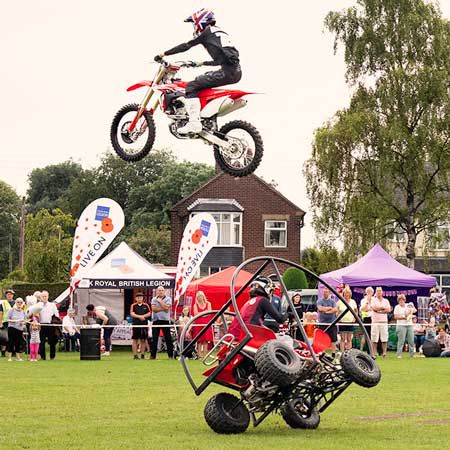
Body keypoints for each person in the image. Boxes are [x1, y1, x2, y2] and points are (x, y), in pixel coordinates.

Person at [155, 8, 241, 134]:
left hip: (228, 71)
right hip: (235, 72)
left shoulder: (206, 33)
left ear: (201, 20)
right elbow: (221, 59)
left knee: (191, 86)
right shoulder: (218, 32)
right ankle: (207, 120)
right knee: (204, 79)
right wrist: (200, 63)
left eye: (194, 24)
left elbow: (185, 46)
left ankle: (194, 123)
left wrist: (163, 54)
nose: (194, 27)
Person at [150, 286, 174, 360]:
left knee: (168, 338)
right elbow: (154, 309)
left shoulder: (168, 299)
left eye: (162, 290)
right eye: (159, 290)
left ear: (164, 291)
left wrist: (160, 301)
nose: (160, 292)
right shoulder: (154, 299)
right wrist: (163, 308)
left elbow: (167, 308)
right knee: (154, 338)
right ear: (157, 291)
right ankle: (153, 356)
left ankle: (170, 356)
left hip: (165, 320)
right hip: (156, 320)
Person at [317, 287, 338, 357]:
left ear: (329, 293)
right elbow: (320, 309)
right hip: (322, 322)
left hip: (332, 322)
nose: (325, 293)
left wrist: (326, 311)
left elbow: (335, 310)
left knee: (333, 338)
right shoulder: (319, 301)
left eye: (327, 292)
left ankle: (333, 353)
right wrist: (329, 308)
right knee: (322, 338)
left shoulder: (332, 301)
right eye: (324, 292)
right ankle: (322, 352)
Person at [370, 287, 392, 358]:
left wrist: (379, 310)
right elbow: (374, 308)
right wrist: (382, 308)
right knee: (374, 337)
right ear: (375, 292)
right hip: (375, 321)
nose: (379, 292)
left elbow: (389, 310)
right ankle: (374, 353)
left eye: (380, 291)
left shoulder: (386, 300)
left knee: (384, 337)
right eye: (377, 291)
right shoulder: (373, 300)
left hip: (384, 321)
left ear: (382, 292)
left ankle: (384, 353)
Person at [192, 291, 213, 359]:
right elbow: (195, 314)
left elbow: (209, 312)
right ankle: (199, 355)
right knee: (199, 340)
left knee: (206, 340)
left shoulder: (208, 303)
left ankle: (205, 355)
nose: (200, 297)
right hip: (199, 324)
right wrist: (204, 313)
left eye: (201, 296)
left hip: (207, 323)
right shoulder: (195, 305)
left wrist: (201, 313)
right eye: (198, 296)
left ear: (203, 296)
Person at [39, 290, 59, 360]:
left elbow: (56, 315)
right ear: (40, 297)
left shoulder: (52, 305)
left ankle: (52, 357)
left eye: (45, 296)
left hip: (51, 325)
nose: (44, 297)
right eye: (43, 296)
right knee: (41, 342)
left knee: (52, 342)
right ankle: (42, 357)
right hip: (41, 325)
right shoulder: (38, 305)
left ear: (48, 297)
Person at [130, 292, 151, 360]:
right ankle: (135, 355)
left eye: (141, 297)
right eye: (138, 297)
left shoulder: (146, 305)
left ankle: (142, 354)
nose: (139, 299)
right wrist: (140, 317)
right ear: (136, 298)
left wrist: (143, 316)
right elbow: (132, 314)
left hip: (144, 325)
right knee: (135, 340)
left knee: (143, 340)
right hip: (136, 325)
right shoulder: (133, 305)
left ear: (142, 298)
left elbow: (149, 313)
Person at [337, 287, 358, 352]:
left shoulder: (353, 301)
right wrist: (338, 318)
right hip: (342, 322)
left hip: (350, 322)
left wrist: (355, 319)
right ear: (343, 293)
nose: (347, 294)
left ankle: (349, 353)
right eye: (345, 293)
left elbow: (356, 311)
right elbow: (337, 311)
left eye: (348, 293)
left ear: (350, 294)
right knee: (342, 338)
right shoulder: (340, 302)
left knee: (349, 339)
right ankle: (342, 352)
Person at [5, 297, 26, 362]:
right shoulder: (11, 310)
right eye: (18, 302)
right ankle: (10, 357)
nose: (19, 303)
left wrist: (22, 323)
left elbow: (24, 321)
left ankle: (18, 357)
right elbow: (6, 319)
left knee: (18, 343)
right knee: (11, 342)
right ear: (15, 303)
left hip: (19, 329)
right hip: (12, 328)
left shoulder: (23, 311)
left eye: (21, 302)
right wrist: (14, 321)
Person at [0, 288, 16, 357]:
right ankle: (3, 352)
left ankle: (13, 352)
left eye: (11, 294)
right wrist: (0, 323)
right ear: (6, 295)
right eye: (8, 294)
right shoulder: (3, 304)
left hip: (15, 323)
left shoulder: (16, 303)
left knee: (14, 337)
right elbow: (0, 313)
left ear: (13, 295)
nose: (9, 296)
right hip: (5, 322)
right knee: (3, 338)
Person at [359, 287, 374, 351]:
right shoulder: (363, 300)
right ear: (366, 292)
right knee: (366, 335)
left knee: (373, 335)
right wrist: (367, 302)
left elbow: (374, 308)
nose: (369, 293)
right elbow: (364, 309)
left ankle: (373, 350)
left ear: (372, 293)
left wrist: (369, 309)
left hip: (374, 318)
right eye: (368, 292)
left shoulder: (375, 299)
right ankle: (365, 349)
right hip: (366, 319)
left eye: (370, 292)